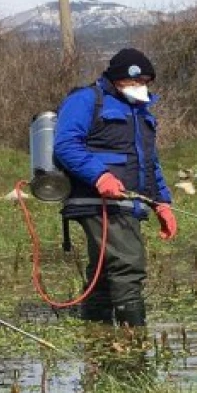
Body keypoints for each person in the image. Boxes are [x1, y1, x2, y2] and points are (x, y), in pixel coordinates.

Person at [53, 48, 176, 328]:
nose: (140, 86)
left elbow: (149, 161)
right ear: (116, 79)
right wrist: (100, 177)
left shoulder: (140, 111)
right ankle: (134, 344)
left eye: (145, 81)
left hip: (128, 203)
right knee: (128, 266)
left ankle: (99, 339)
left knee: (104, 271)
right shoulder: (86, 100)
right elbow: (66, 145)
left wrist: (162, 203)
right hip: (96, 201)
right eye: (133, 81)